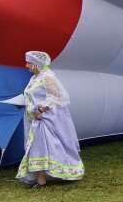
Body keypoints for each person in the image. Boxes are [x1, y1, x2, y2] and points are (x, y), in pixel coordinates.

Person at [16, 51, 85, 188]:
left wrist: (41, 110)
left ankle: (44, 179)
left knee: (45, 146)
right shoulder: (34, 78)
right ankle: (43, 178)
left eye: (29, 63)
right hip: (34, 118)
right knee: (39, 147)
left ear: (37, 64)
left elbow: (58, 97)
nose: (26, 65)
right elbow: (35, 96)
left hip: (45, 118)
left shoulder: (47, 77)